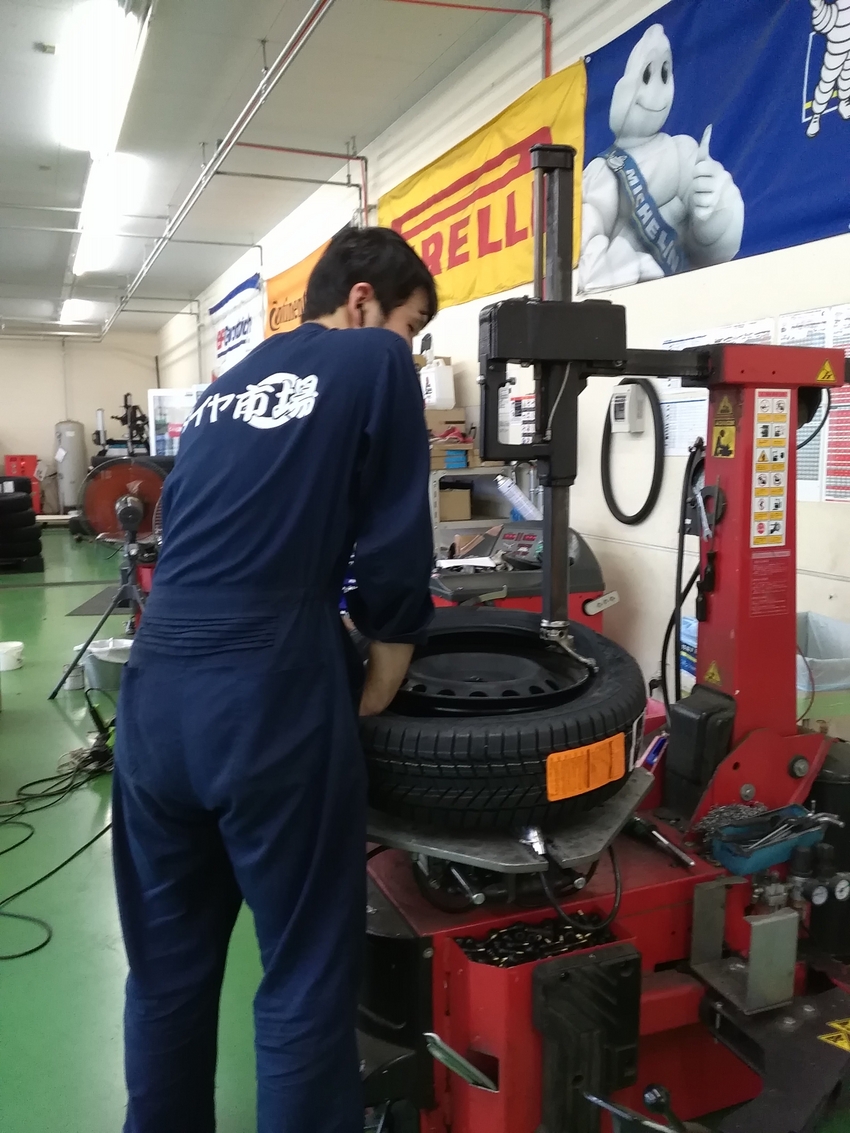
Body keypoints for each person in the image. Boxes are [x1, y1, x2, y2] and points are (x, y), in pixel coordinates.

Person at [112, 226, 438, 1133]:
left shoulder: (224, 388)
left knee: (166, 973)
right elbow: (397, 528)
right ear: (365, 300)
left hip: (155, 691)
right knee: (301, 976)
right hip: (267, 690)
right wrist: (391, 646)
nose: (410, 346)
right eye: (413, 324)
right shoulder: (374, 358)